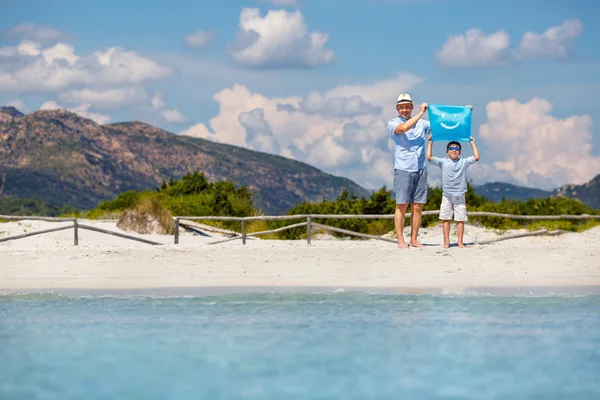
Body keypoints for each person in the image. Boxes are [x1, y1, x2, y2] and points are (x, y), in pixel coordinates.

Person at [388, 93, 430, 249]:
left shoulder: (423, 124)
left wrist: (464, 113)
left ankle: (414, 239)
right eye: (401, 107)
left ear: (411, 106)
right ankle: (400, 241)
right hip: (403, 169)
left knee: (417, 206)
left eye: (407, 107)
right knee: (402, 205)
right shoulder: (392, 123)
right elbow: (404, 128)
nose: (404, 110)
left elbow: (441, 126)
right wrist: (420, 113)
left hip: (421, 168)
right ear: (397, 109)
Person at [426, 134, 480, 248]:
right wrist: (430, 142)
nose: (454, 150)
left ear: (460, 152)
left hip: (459, 194)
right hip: (446, 195)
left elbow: (476, 157)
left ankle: (460, 242)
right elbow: (429, 157)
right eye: (451, 148)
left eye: (457, 149)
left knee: (460, 219)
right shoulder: (443, 162)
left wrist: (472, 142)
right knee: (446, 219)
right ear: (447, 151)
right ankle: (446, 242)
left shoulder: (463, 162)